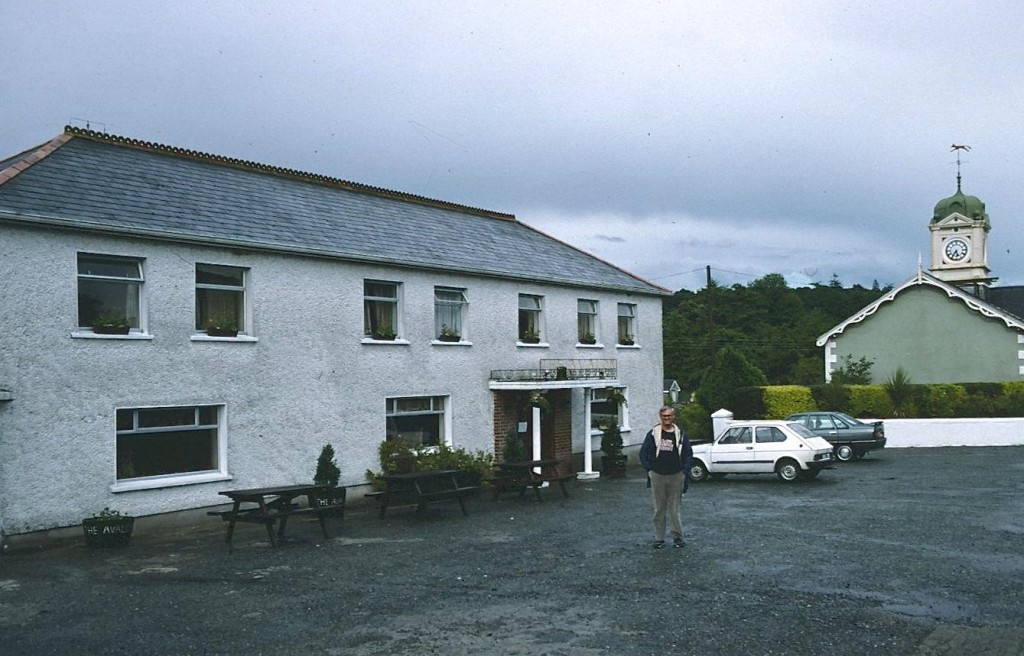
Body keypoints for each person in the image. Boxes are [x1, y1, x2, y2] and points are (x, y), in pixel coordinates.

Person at [639, 406, 692, 549]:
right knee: (659, 509)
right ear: (660, 417)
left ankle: (677, 538)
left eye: (669, 416)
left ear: (673, 417)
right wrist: (649, 469)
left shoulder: (681, 434)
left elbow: (688, 454)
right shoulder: (653, 434)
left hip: (676, 475)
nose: (666, 418)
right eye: (663, 416)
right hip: (658, 475)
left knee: (675, 509)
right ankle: (659, 538)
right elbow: (643, 453)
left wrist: (684, 472)